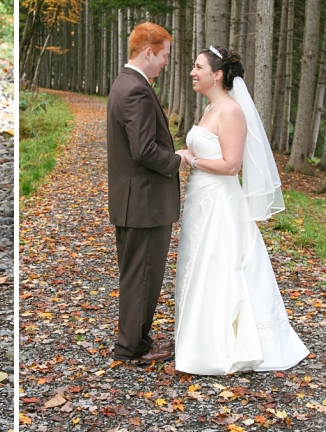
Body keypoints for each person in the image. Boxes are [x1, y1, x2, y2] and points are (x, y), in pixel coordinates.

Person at [174, 47, 309, 374]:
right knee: (197, 267)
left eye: (198, 67)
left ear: (217, 74)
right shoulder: (210, 108)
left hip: (221, 203)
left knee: (220, 268)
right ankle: (195, 340)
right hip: (200, 200)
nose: (192, 72)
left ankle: (222, 345)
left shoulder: (231, 111)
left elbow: (231, 165)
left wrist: (192, 159)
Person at [106, 22, 191, 362]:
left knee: (137, 275)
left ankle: (136, 339)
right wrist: (177, 160)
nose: (166, 62)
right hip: (144, 202)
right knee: (143, 276)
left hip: (134, 201)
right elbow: (143, 150)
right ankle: (132, 348)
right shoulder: (137, 90)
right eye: (164, 55)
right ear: (148, 52)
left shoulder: (125, 84)